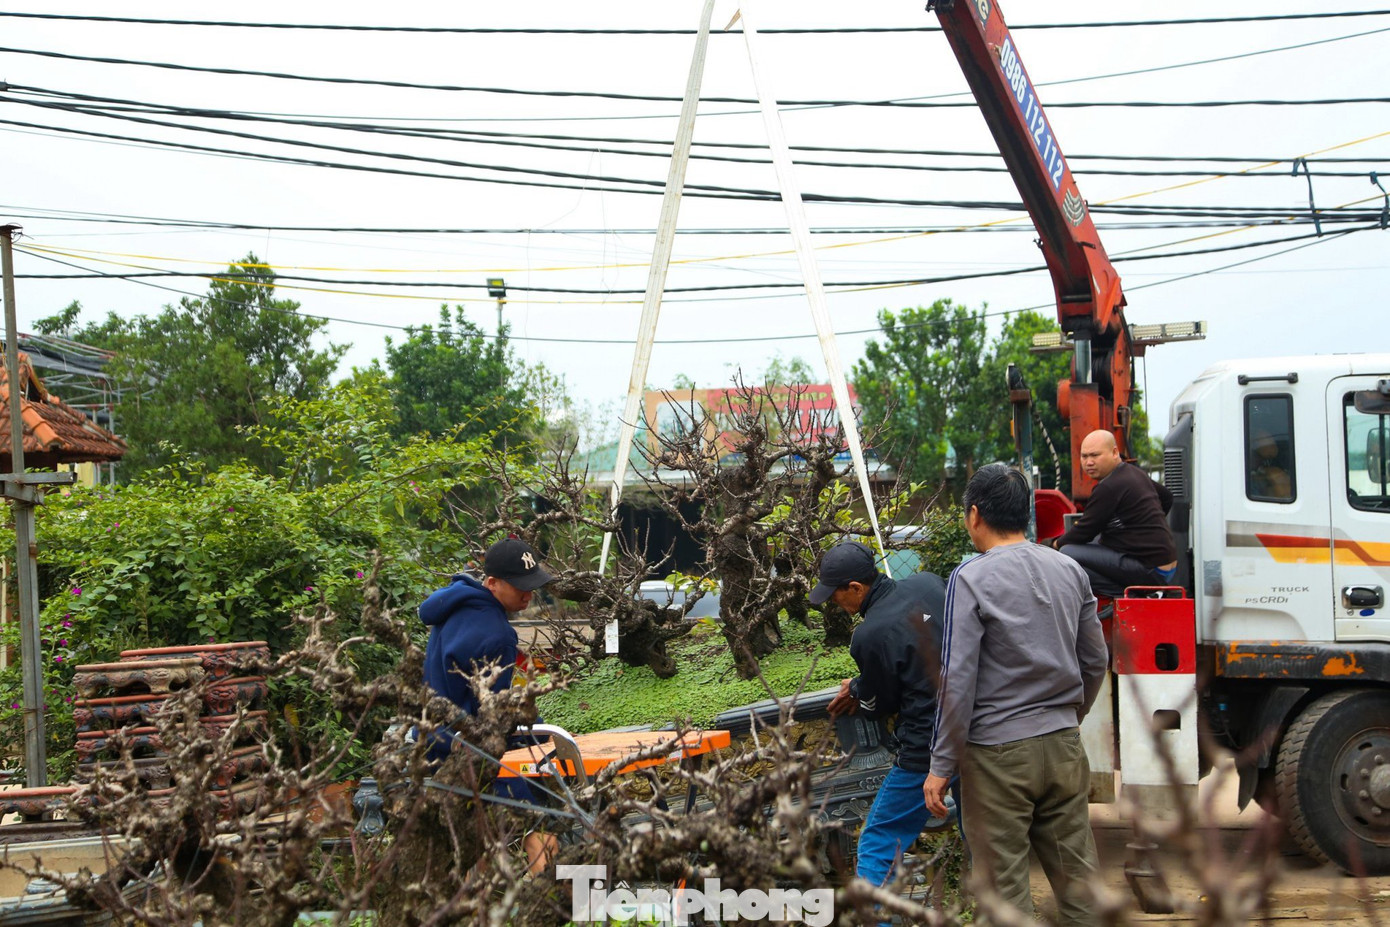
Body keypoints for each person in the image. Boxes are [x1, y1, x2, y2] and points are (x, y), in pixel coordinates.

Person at [924, 464, 1108, 925]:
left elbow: (958, 679)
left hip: (997, 757)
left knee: (1005, 896)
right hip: (1064, 745)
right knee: (1081, 887)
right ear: (1025, 514)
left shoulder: (970, 579)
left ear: (973, 515)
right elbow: (1096, 661)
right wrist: (1068, 717)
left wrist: (941, 765)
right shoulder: (1071, 570)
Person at [811, 540, 955, 887]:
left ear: (856, 588)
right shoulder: (930, 583)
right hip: (974, 729)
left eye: (835, 594)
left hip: (926, 747)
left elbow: (880, 706)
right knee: (980, 833)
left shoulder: (869, 635)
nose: (833, 602)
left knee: (877, 843)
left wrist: (860, 690)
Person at [420, 536, 557, 875]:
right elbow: (493, 716)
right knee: (540, 827)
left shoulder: (455, 606)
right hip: (464, 748)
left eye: (532, 586)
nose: (527, 595)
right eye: (519, 587)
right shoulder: (496, 632)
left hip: (428, 740)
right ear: (492, 583)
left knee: (474, 841)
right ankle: (555, 903)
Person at [1050, 429, 1178, 596]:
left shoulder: (1108, 487)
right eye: (1084, 456)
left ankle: (1128, 595)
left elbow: (1084, 531)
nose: (1089, 462)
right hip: (1166, 564)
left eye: (1095, 455)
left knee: (1067, 552)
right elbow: (1167, 497)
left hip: (1151, 571)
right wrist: (1142, 526)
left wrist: (1053, 545)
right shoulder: (1134, 473)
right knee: (1097, 541)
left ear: (1115, 452)